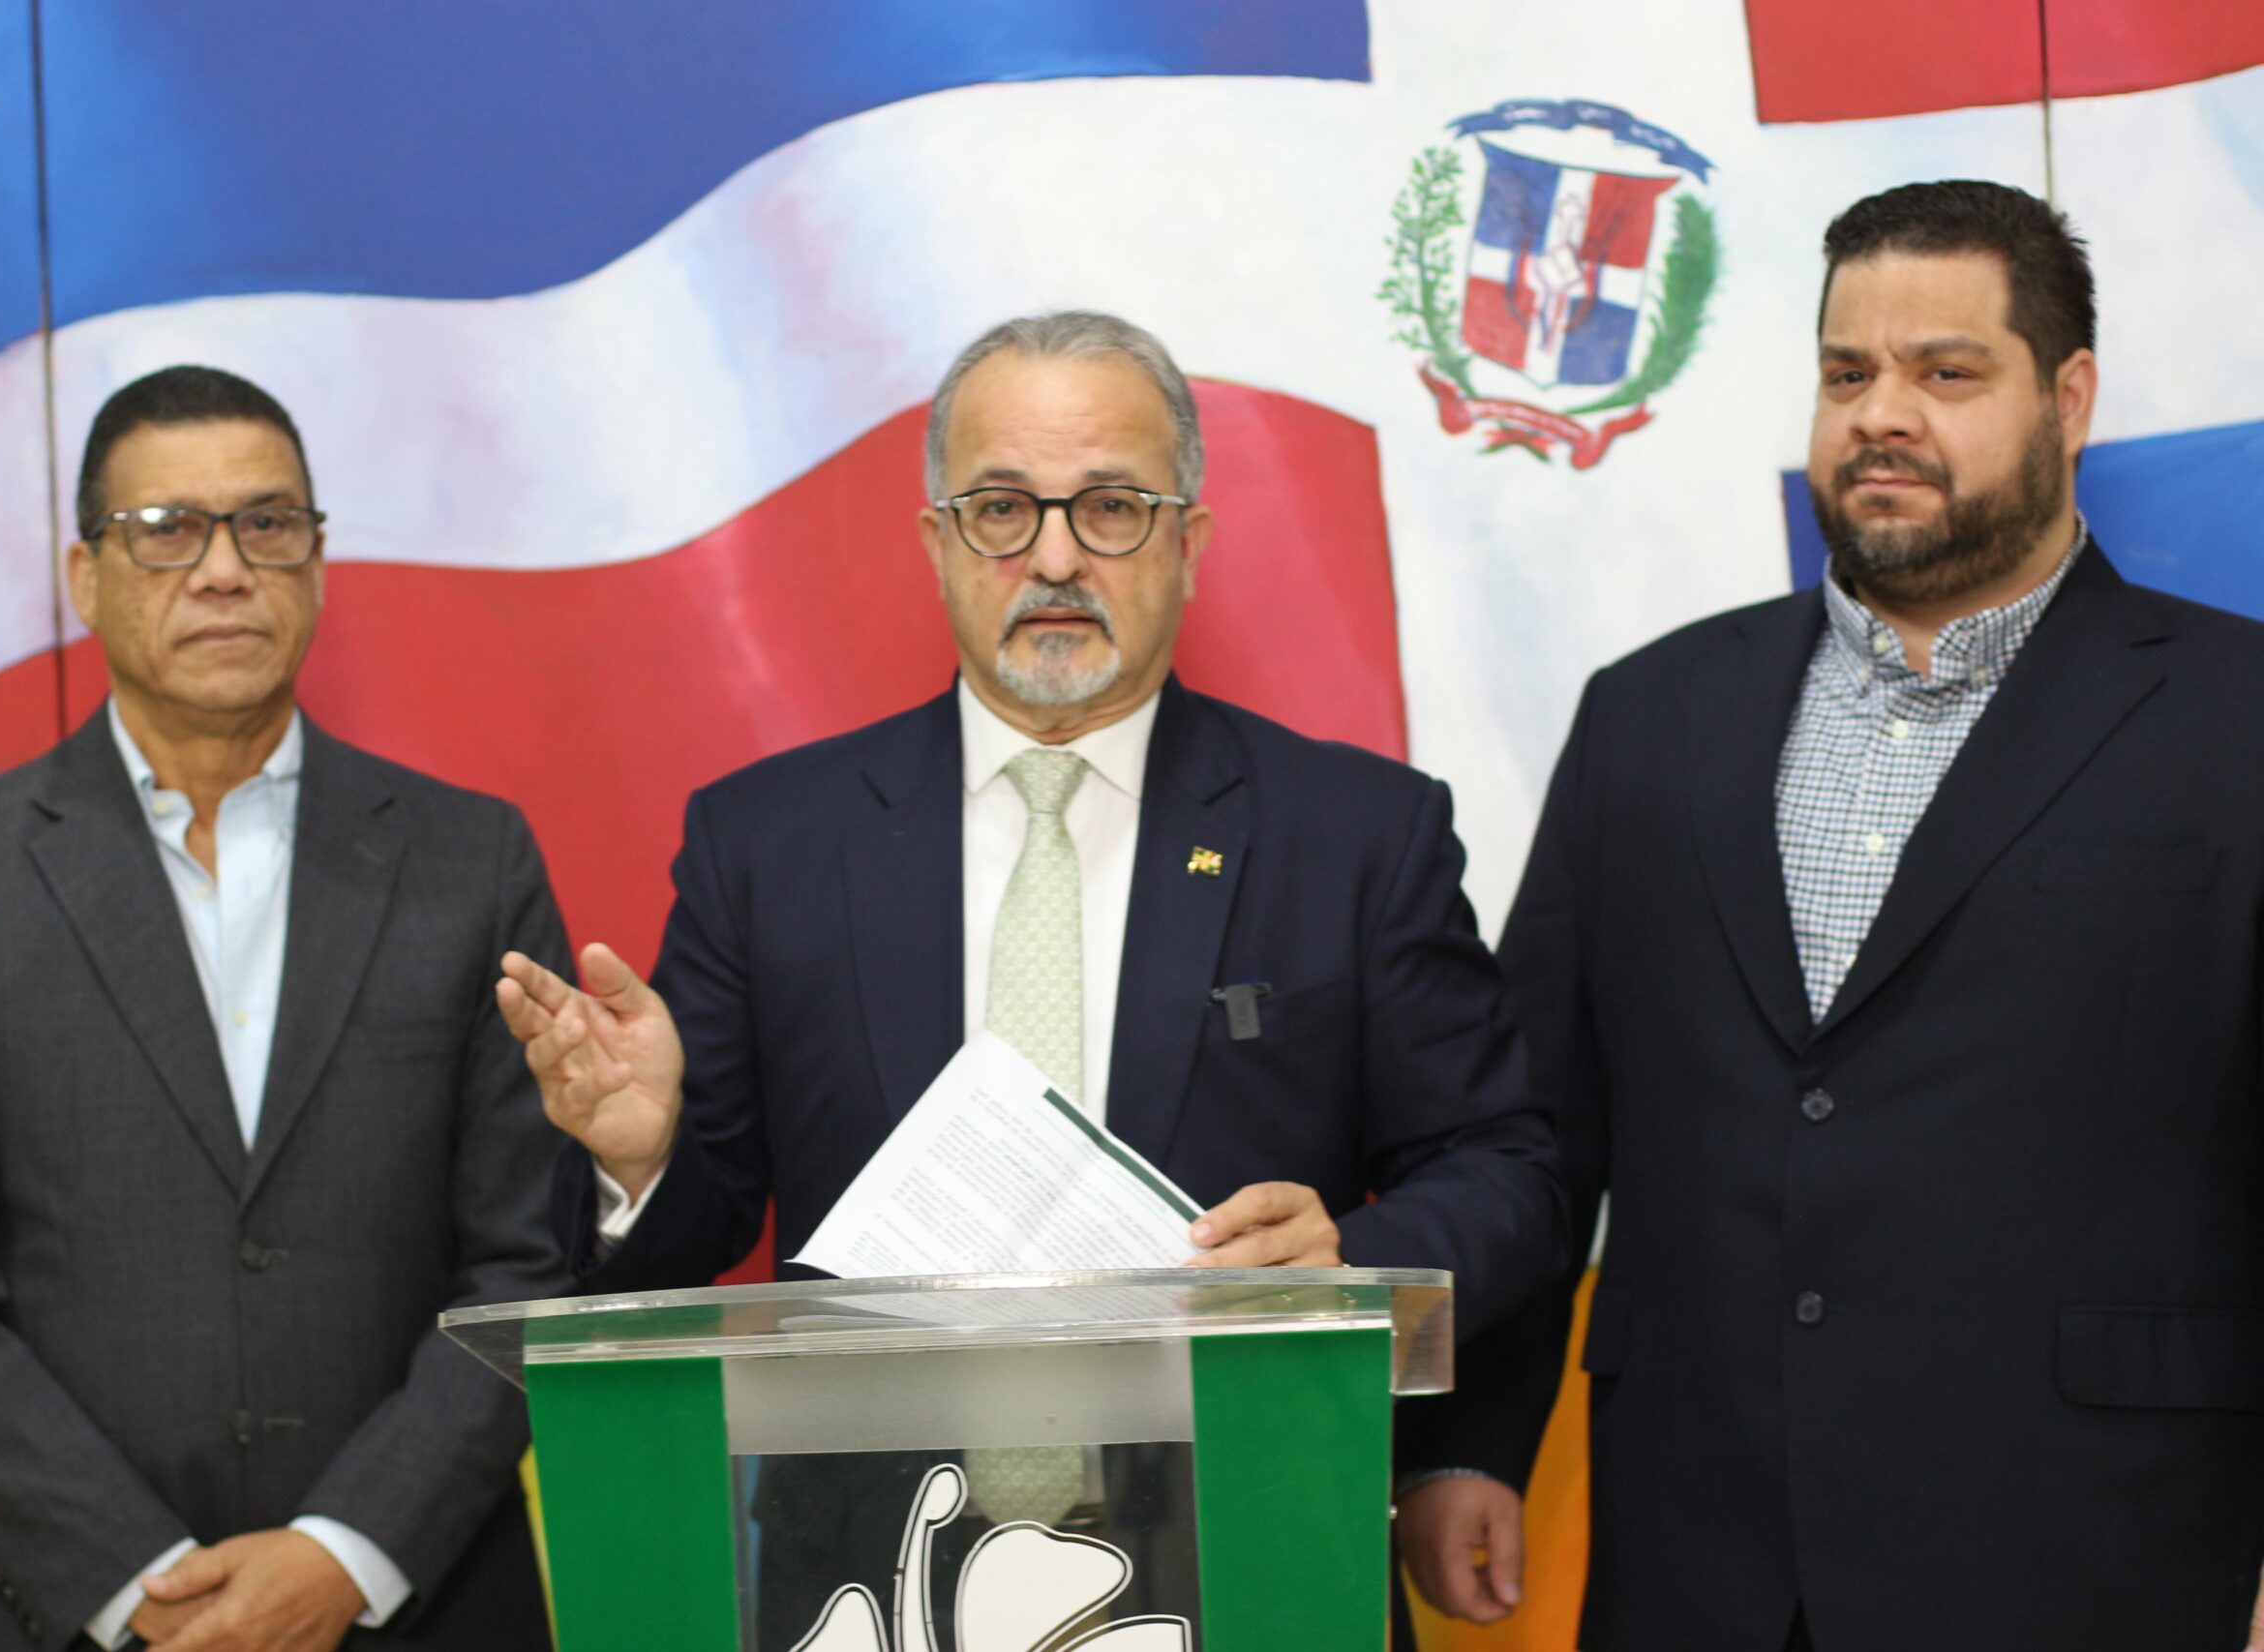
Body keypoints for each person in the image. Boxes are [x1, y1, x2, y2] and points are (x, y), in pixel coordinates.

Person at [496, 311, 1567, 1641]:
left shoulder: (1355, 834)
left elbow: (1507, 1170)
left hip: (1255, 1545)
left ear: (1190, 542)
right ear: (937, 541)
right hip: (871, 1583)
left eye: (1111, 507)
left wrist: (1348, 1264)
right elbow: (697, 1224)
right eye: (1002, 509)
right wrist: (645, 1157)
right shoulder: (769, 843)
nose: (1055, 557)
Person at [1400, 179, 2264, 1650]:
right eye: (1847, 373)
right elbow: (1540, 1131)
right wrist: (1468, 1442)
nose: (1882, 416)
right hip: (1702, 1559)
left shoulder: (2237, 717)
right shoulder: (1650, 716)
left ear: (2068, 400)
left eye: (1947, 373)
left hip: (2096, 1555)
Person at [0, 367, 568, 1650]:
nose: (224, 571)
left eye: (267, 524)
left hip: (411, 1600)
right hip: (57, 1608)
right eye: (166, 530)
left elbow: (529, 1266)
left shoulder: (472, 861)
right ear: (85, 577)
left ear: (317, 563)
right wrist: (142, 1589)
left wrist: (344, 1557)